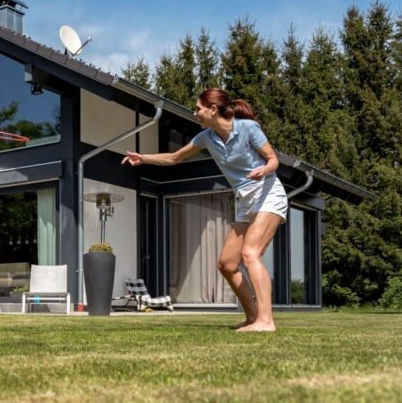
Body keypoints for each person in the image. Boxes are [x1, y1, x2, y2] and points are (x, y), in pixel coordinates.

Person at [122, 88, 287, 332]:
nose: (195, 112)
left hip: (267, 192)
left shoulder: (248, 128)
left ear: (212, 109)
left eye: (198, 108)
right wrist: (143, 158)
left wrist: (264, 169)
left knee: (250, 254)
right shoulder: (206, 138)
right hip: (244, 201)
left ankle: (266, 321)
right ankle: (253, 318)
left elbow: (273, 159)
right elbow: (175, 158)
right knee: (227, 264)